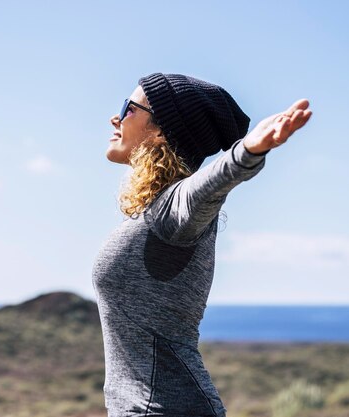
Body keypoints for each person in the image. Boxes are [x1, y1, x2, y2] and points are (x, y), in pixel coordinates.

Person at [91, 72, 312, 417]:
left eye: (129, 108)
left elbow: (206, 187)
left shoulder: (174, 208)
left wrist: (249, 151)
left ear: (161, 130)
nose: (115, 118)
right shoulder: (153, 210)